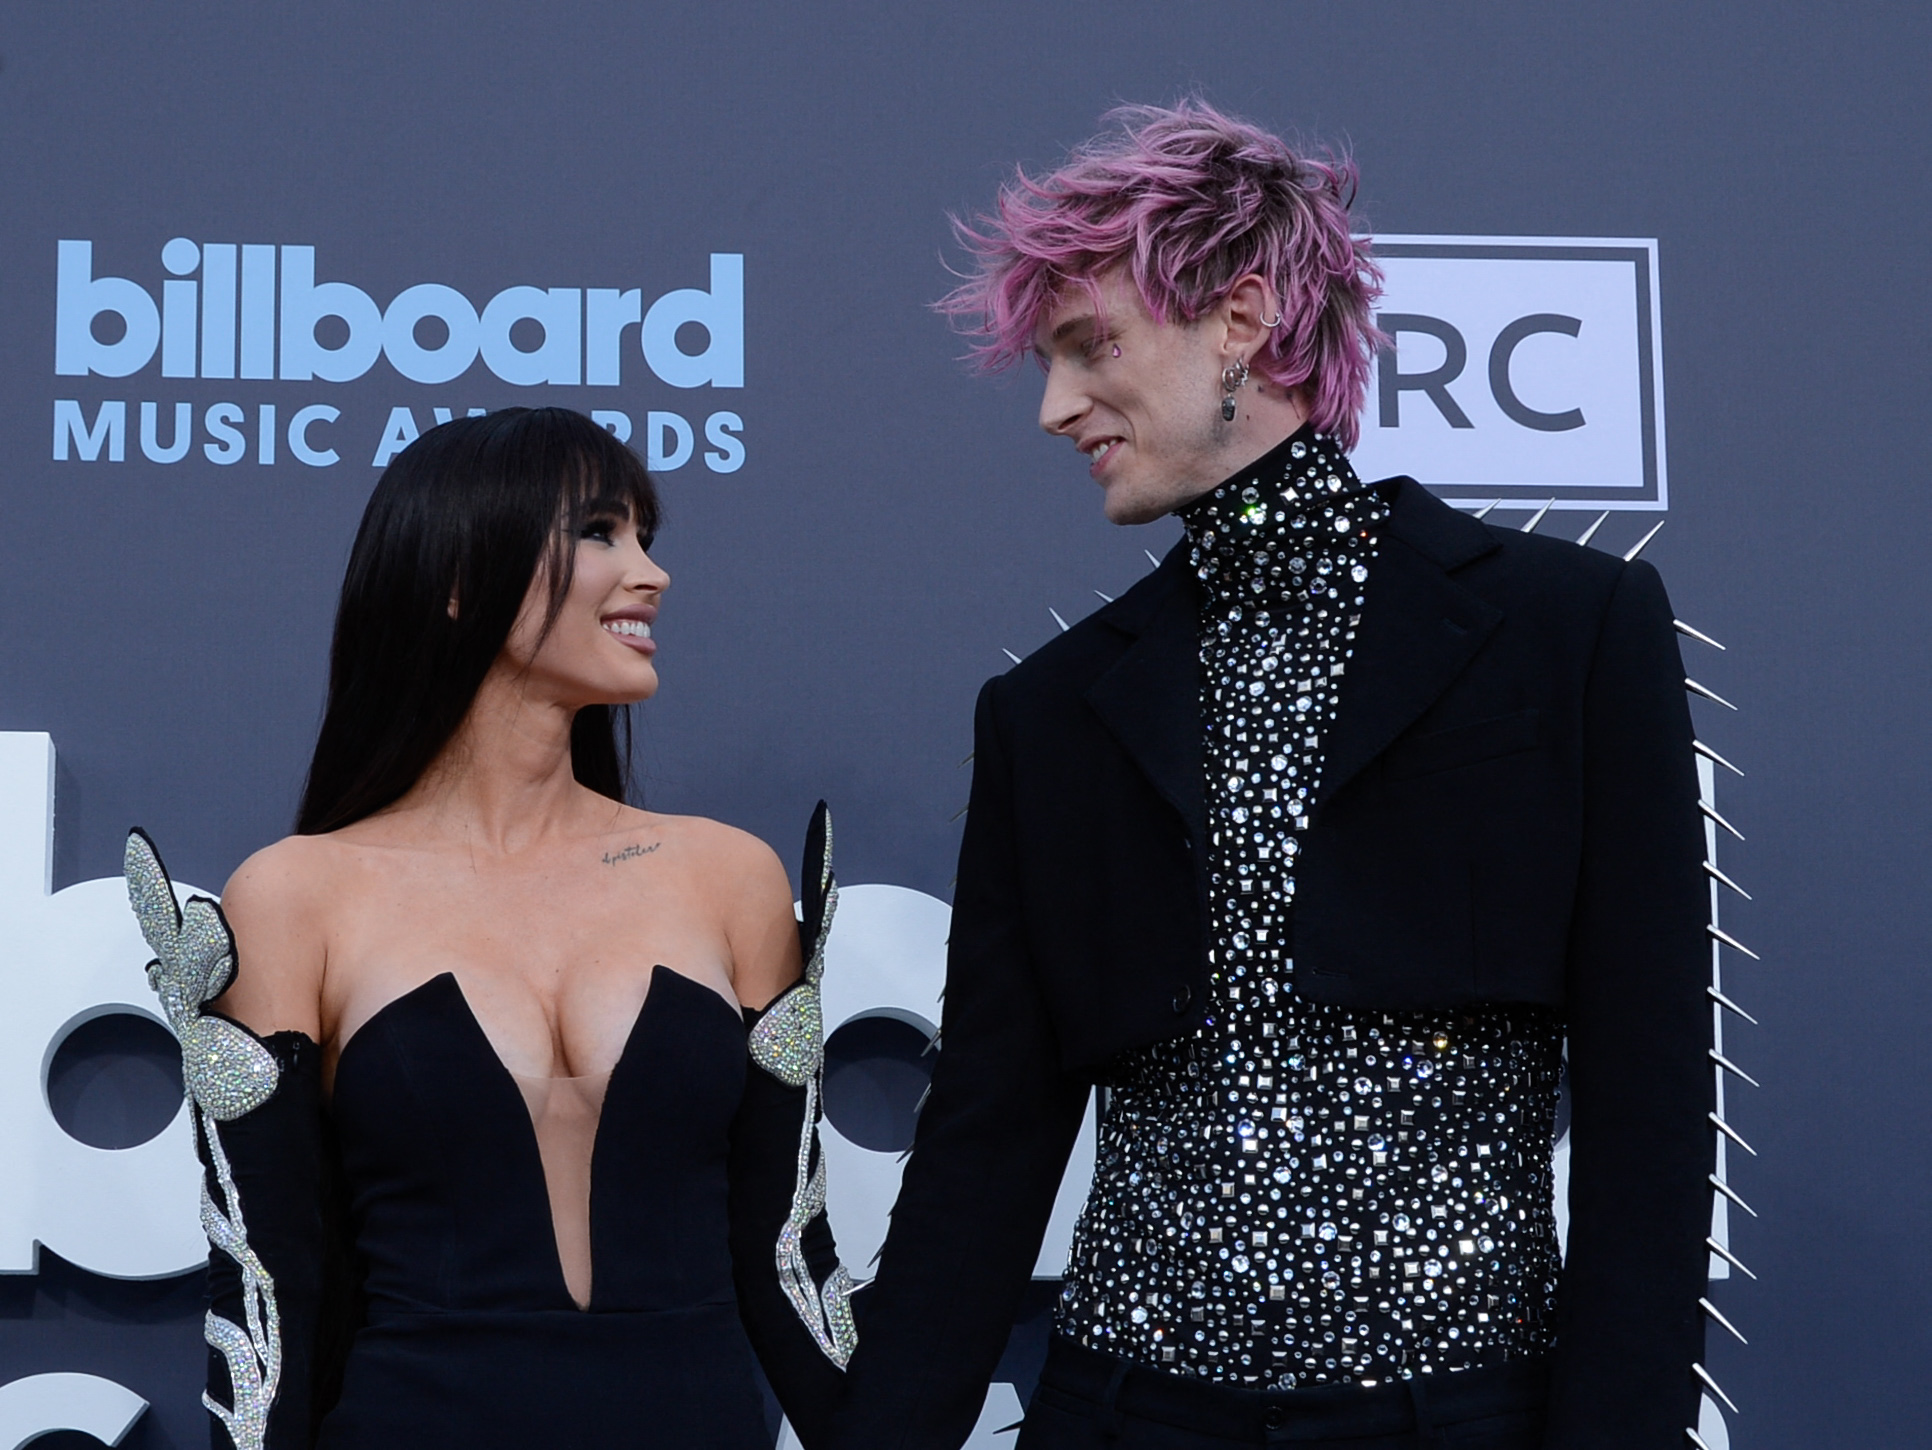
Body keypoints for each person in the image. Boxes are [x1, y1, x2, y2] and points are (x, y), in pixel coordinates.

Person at [829, 103, 1717, 1450]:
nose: (1059, 406)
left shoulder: (1570, 630)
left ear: (1239, 321)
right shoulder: (1050, 717)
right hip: (1123, 1418)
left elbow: (1653, 1112)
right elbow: (983, 1155)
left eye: (1089, 347)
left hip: (1463, 1417)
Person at [124, 407, 853, 1449]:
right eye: (602, 533)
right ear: (461, 577)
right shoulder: (297, 895)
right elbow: (267, 1299)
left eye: (647, 537)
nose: (651, 573)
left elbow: (791, 1267)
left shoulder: (727, 876)